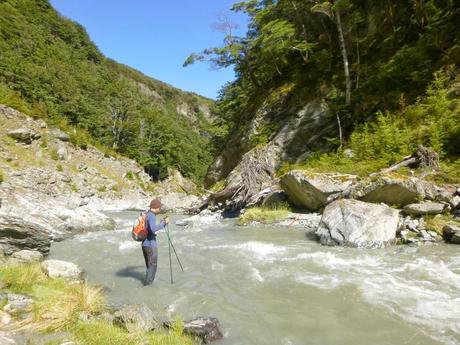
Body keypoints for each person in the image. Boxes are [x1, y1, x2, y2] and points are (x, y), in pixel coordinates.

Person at [142, 198, 169, 286]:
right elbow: (153, 229)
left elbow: (150, 228)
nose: (160, 209)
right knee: (152, 267)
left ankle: (147, 286)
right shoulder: (152, 215)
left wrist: (161, 223)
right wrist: (164, 223)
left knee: (149, 267)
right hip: (150, 245)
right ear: (156, 207)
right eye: (159, 208)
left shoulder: (147, 214)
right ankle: (147, 288)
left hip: (145, 244)